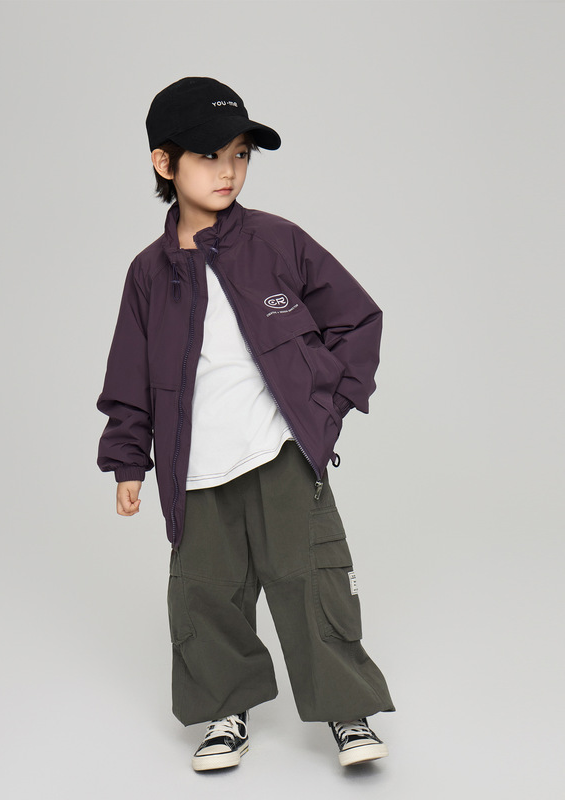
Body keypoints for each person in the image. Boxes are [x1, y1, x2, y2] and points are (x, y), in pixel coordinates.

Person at [96, 76, 395, 772]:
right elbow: (128, 376)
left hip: (280, 451)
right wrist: (128, 462)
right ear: (164, 163)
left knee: (309, 577)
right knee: (205, 592)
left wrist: (326, 407)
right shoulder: (148, 274)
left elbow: (357, 319)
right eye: (208, 156)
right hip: (195, 466)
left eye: (240, 154)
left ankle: (346, 709)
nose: (228, 170)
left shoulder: (277, 241)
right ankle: (225, 711)